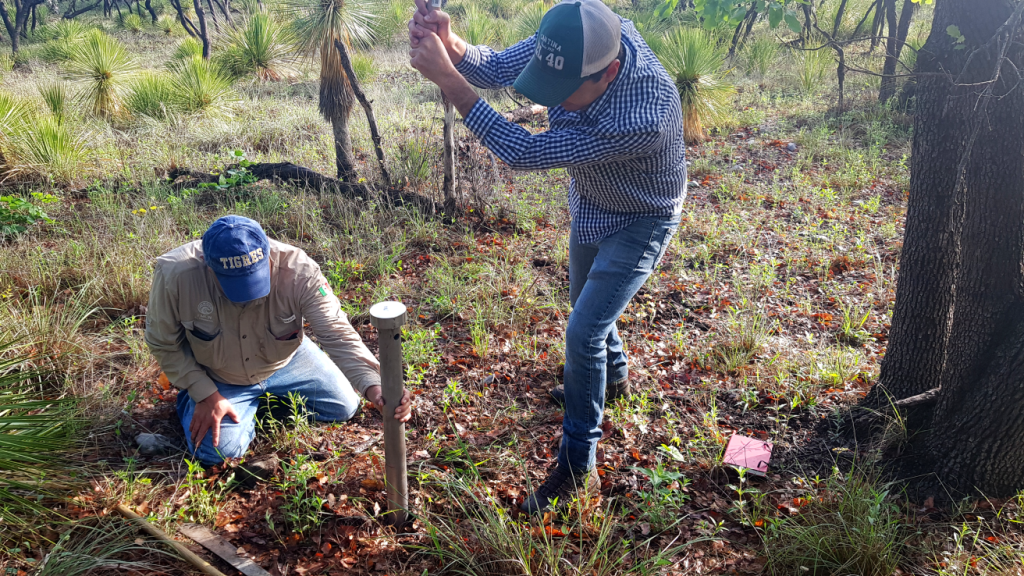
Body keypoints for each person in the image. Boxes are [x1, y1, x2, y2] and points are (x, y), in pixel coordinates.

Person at [408, 0, 687, 513]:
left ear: (609, 73)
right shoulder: (581, 35)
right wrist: (451, 43)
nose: (552, 102)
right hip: (594, 197)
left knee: (584, 331)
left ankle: (577, 466)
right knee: (586, 305)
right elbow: (497, 67)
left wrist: (448, 80)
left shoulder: (643, 115)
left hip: (643, 215)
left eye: (564, 93)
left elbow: (525, 152)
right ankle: (614, 378)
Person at [145, 215, 412, 465]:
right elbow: (163, 342)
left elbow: (336, 332)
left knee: (345, 406)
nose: (247, 295)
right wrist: (205, 394)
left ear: (268, 255)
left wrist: (376, 386)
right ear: (208, 264)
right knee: (217, 453)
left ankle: (256, 404)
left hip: (285, 359)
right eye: (235, 283)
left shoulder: (299, 270)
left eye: (254, 279)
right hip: (218, 374)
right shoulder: (175, 273)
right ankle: (194, 403)